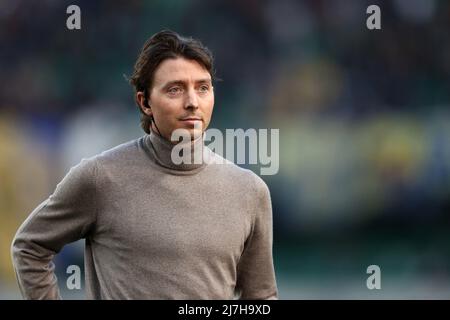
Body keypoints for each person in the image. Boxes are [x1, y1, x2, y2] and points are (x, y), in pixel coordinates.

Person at [11, 30, 278, 300]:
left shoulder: (249, 190)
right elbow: (30, 247)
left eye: (202, 88)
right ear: (145, 102)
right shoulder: (100, 177)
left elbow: (261, 297)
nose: (192, 102)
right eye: (175, 89)